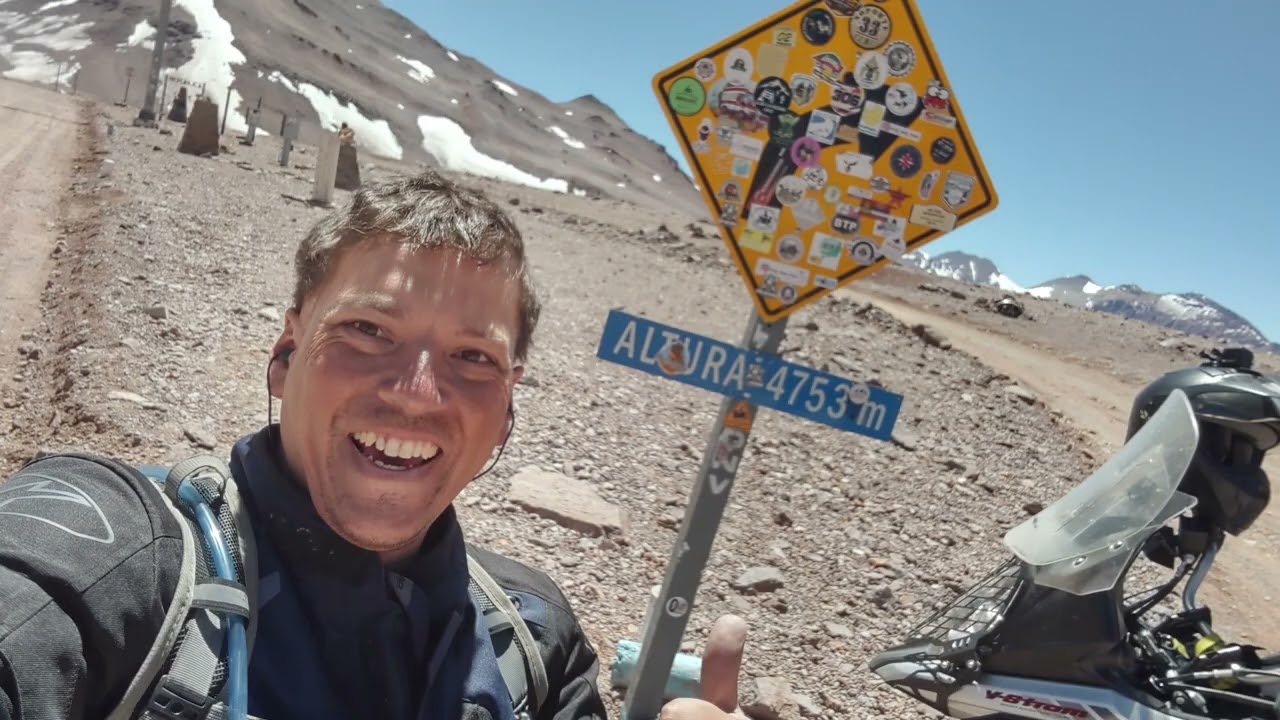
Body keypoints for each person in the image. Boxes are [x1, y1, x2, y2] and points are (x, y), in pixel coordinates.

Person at [0, 170, 749, 720]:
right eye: (367, 330)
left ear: (507, 406)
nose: (417, 393)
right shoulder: (115, 550)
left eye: (473, 357)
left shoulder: (536, 641)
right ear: (286, 352)